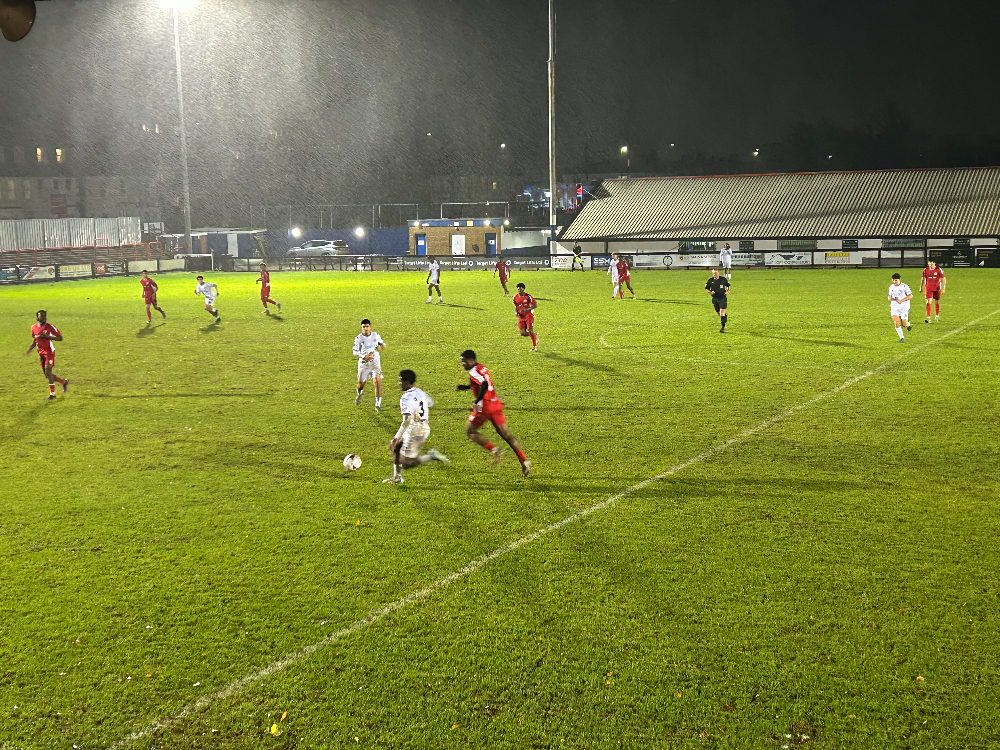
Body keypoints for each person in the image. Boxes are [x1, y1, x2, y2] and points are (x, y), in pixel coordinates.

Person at [456, 349, 531, 477]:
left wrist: (476, 402)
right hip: (495, 405)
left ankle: (494, 450)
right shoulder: (482, 368)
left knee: (470, 431)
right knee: (507, 435)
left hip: (485, 408)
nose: (462, 364)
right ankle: (524, 460)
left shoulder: (473, 371)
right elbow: (484, 383)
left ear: (471, 360)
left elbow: (484, 385)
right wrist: (467, 387)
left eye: (464, 361)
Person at [382, 369, 449, 484]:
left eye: (400, 381)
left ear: (406, 382)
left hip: (415, 431)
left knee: (406, 463)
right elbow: (430, 403)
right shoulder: (420, 392)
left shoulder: (405, 398)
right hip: (422, 427)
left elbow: (407, 420)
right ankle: (397, 477)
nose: (399, 384)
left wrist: (396, 437)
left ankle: (430, 456)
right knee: (397, 448)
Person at [25, 310, 68, 400]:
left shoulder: (50, 327)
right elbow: (35, 340)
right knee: (47, 375)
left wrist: (49, 337)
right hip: (40, 353)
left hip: (49, 352)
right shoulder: (33, 328)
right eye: (42, 316)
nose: (44, 318)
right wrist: (29, 350)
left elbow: (60, 338)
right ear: (37, 317)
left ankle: (52, 394)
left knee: (48, 372)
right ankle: (64, 382)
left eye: (45, 316)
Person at [353, 318, 386, 412]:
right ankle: (359, 394)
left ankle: (377, 405)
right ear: (361, 328)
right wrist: (364, 356)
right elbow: (354, 352)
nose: (365, 329)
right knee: (361, 384)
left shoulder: (375, 335)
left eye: (367, 326)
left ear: (370, 327)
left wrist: (382, 345)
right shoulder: (359, 338)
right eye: (363, 327)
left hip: (375, 363)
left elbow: (381, 342)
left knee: (377, 382)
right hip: (364, 364)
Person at [512, 282, 539, 351]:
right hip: (521, 316)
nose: (519, 290)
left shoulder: (528, 297)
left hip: (528, 315)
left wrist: (527, 309)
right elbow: (515, 305)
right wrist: (516, 312)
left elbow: (535, 305)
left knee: (530, 330)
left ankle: (534, 346)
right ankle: (534, 335)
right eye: (518, 289)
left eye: (520, 289)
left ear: (523, 289)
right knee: (522, 333)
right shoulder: (515, 297)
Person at [888, 272, 913, 342]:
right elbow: (889, 296)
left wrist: (901, 300)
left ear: (899, 280)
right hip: (894, 307)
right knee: (896, 321)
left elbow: (910, 296)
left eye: (896, 280)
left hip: (903, 307)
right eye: (893, 280)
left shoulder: (904, 286)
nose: (894, 282)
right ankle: (901, 338)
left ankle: (907, 324)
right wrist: (891, 298)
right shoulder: (891, 287)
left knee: (904, 323)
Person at [705, 268, 730, 333]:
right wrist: (710, 292)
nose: (714, 274)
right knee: (719, 313)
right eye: (713, 273)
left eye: (715, 273)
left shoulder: (723, 279)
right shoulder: (710, 280)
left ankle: (723, 327)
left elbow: (728, 285)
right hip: (715, 299)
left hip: (722, 298)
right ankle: (724, 317)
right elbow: (706, 288)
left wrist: (727, 291)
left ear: (718, 273)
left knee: (721, 313)